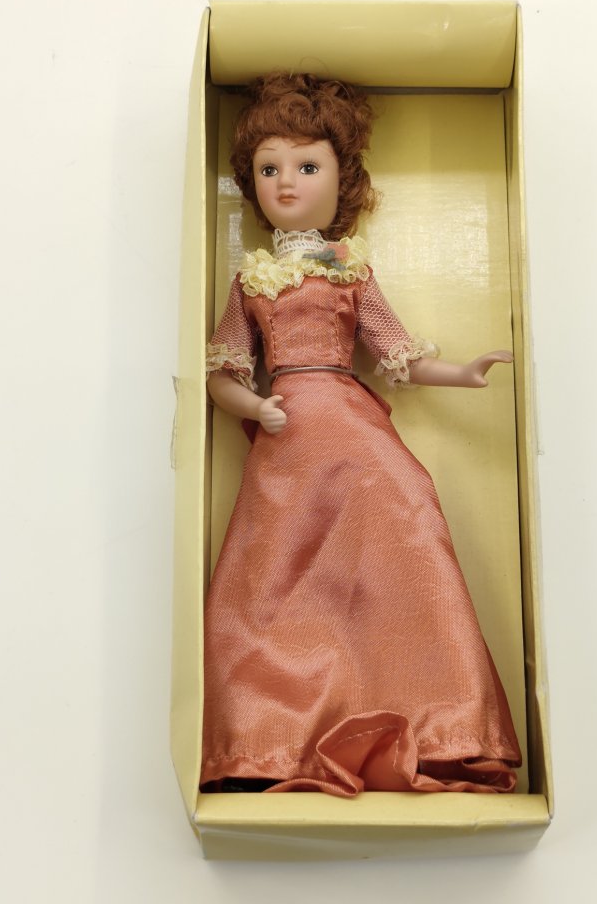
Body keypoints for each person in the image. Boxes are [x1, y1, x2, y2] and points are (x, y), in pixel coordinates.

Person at [201, 73, 521, 796]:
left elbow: (396, 353)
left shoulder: (350, 272)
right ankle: (265, 741)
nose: (287, 182)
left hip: (353, 430)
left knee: (405, 537)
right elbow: (224, 371)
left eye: (306, 165)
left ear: (341, 179)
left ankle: (441, 727)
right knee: (272, 581)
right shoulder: (250, 281)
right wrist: (253, 407)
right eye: (269, 169)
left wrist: (462, 372)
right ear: (251, 183)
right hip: (287, 443)